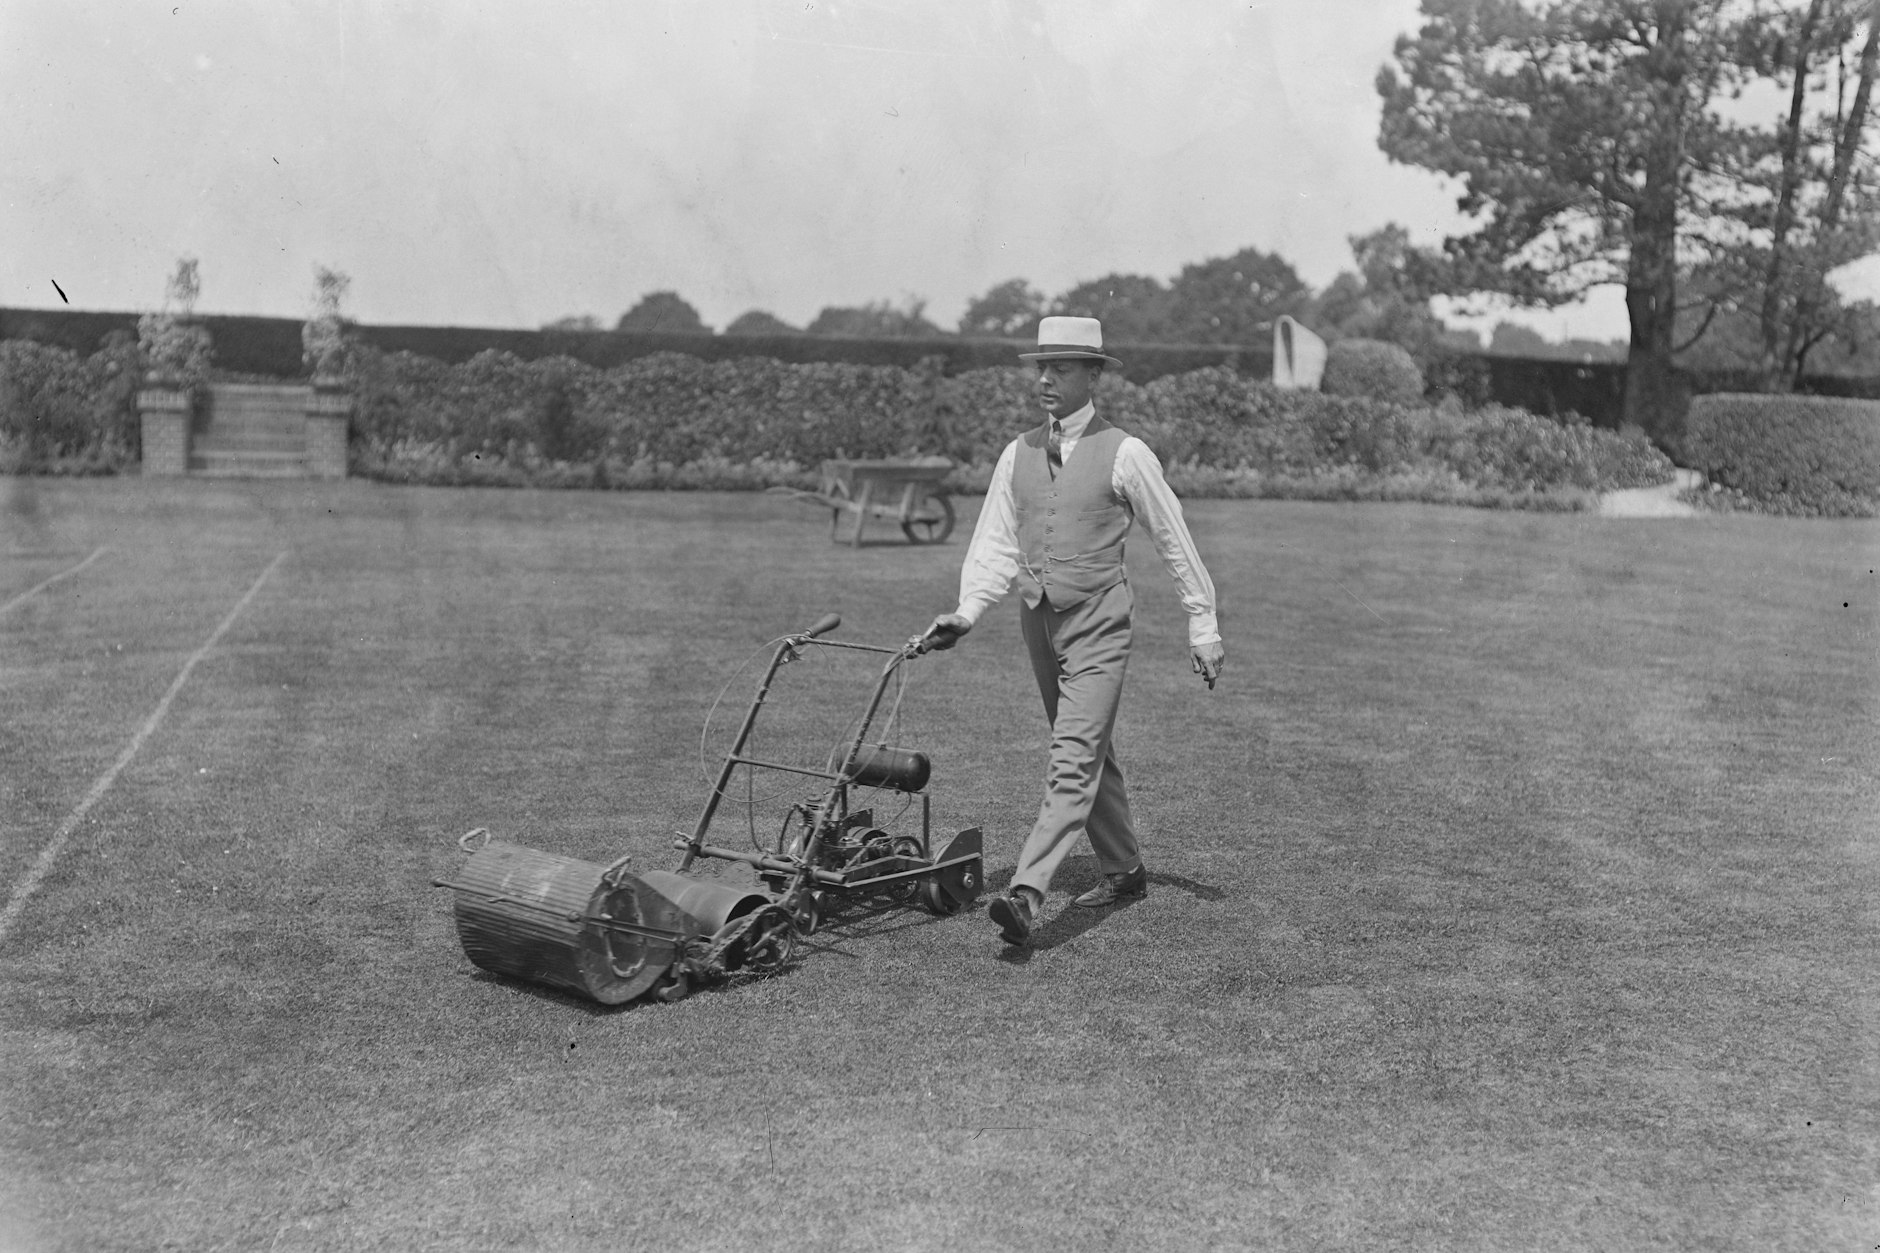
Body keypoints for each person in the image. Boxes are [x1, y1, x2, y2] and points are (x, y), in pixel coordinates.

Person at [923, 316, 1224, 946]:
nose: (1045, 378)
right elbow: (995, 545)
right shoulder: (1018, 452)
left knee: (1072, 758)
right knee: (1089, 753)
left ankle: (1028, 894)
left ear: (1094, 375)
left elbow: (1174, 539)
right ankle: (1126, 870)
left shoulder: (1128, 453)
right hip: (1039, 621)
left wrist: (1203, 623)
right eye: (1040, 366)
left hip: (1099, 623)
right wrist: (967, 612)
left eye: (1061, 367)